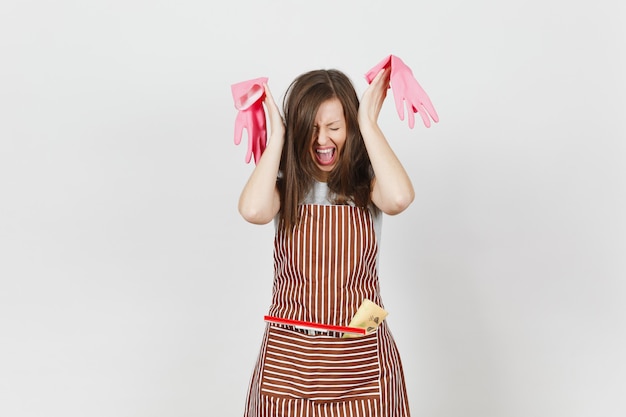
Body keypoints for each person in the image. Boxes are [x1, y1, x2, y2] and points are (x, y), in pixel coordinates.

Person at [238, 66, 414, 416]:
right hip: (289, 367)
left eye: (334, 127)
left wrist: (368, 122)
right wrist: (278, 137)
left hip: (361, 363)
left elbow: (399, 199)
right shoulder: (284, 187)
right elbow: (253, 210)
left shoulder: (368, 185)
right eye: (311, 129)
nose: (322, 140)